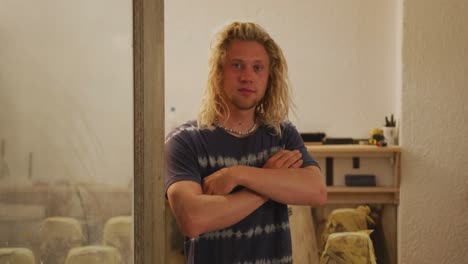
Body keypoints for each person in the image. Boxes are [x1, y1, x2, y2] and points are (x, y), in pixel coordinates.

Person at [165, 21, 327, 264]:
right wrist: (266, 186)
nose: (247, 77)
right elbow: (192, 219)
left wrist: (238, 174)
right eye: (237, 65)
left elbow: (316, 190)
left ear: (269, 77)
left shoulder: (281, 134)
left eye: (258, 67)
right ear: (219, 72)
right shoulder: (185, 140)